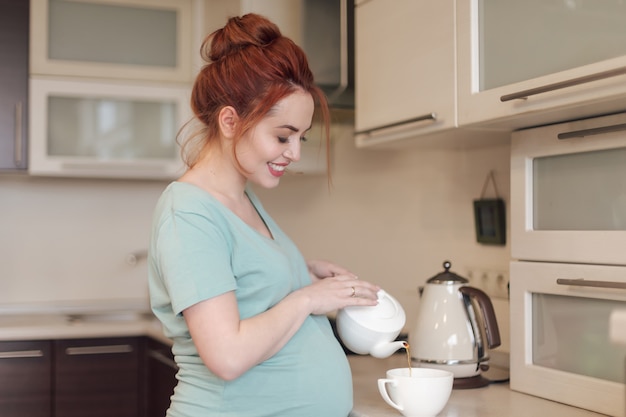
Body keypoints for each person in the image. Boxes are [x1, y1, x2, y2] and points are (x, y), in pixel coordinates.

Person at [147, 13, 381, 417]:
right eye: (282, 136)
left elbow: (248, 294)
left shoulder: (242, 199)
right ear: (230, 121)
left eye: (301, 137)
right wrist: (308, 298)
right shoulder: (188, 213)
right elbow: (227, 356)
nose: (295, 153)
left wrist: (301, 276)